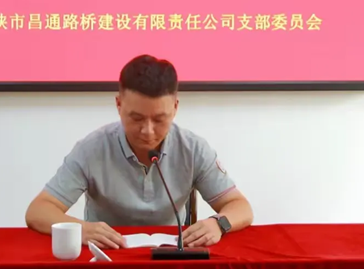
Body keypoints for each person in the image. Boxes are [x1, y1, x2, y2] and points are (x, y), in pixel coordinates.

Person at [25, 54, 253, 249]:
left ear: (175, 107)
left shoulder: (192, 149)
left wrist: (218, 223)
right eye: (136, 118)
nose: (148, 131)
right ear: (118, 105)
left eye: (159, 119)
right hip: (109, 256)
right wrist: (81, 230)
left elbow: (240, 207)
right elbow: (38, 210)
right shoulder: (92, 149)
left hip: (169, 257)